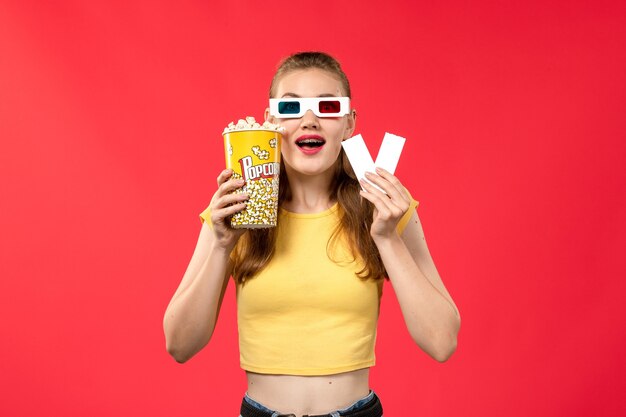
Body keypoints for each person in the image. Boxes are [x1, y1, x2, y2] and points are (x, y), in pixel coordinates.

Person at [163, 51, 461, 417]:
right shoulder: (235, 211)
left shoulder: (386, 210)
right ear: (271, 122)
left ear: (350, 124)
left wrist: (387, 238)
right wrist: (222, 246)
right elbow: (179, 345)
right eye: (291, 109)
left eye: (328, 106)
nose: (309, 120)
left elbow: (442, 342)